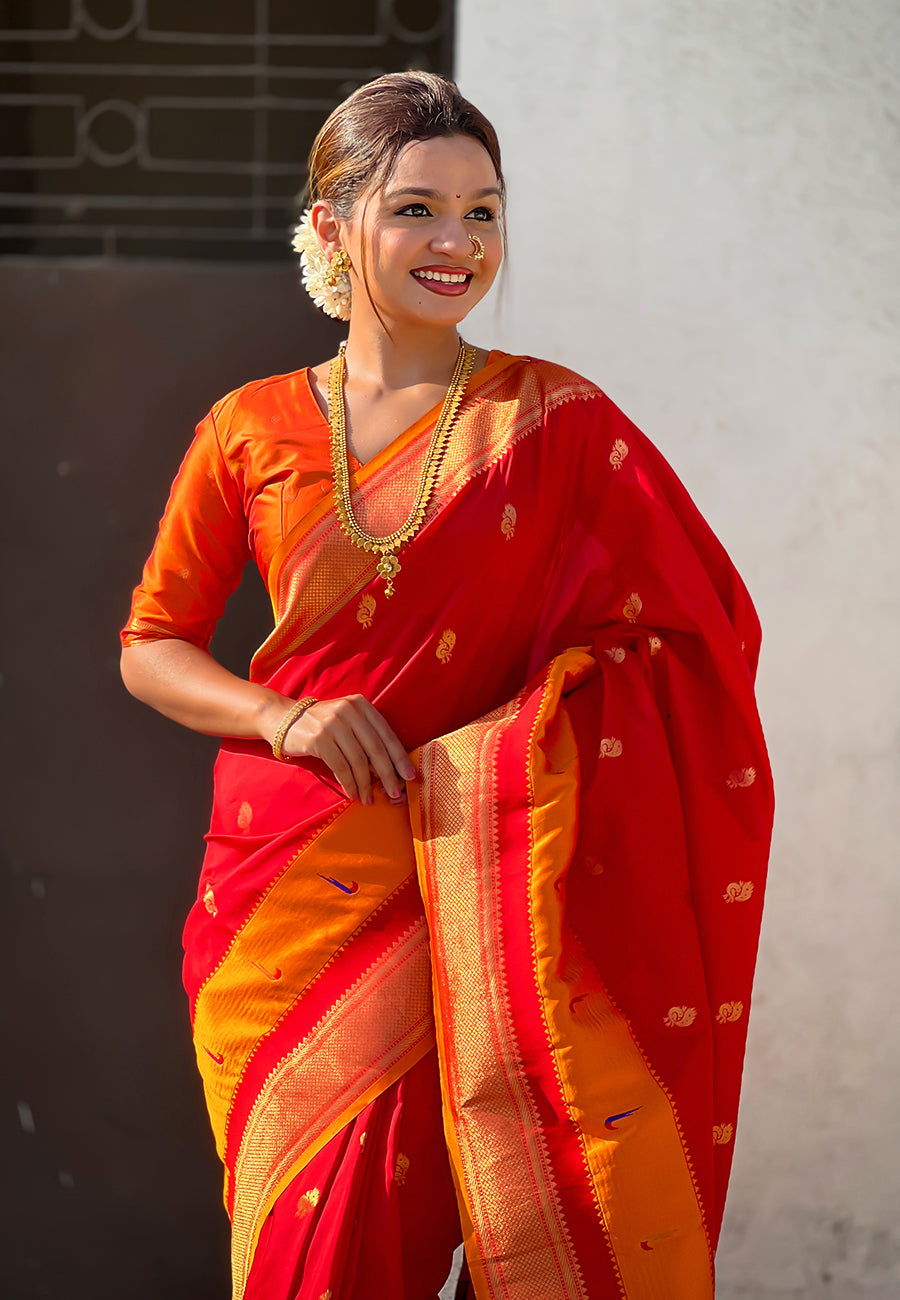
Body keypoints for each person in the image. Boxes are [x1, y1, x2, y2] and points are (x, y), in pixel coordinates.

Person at [120, 71, 773, 1300]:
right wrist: (283, 715)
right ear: (332, 226)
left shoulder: (558, 422)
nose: (457, 242)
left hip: (493, 883)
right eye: (417, 208)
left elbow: (693, 637)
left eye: (483, 212)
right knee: (312, 1250)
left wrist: (504, 756)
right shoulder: (249, 427)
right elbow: (151, 642)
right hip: (288, 889)